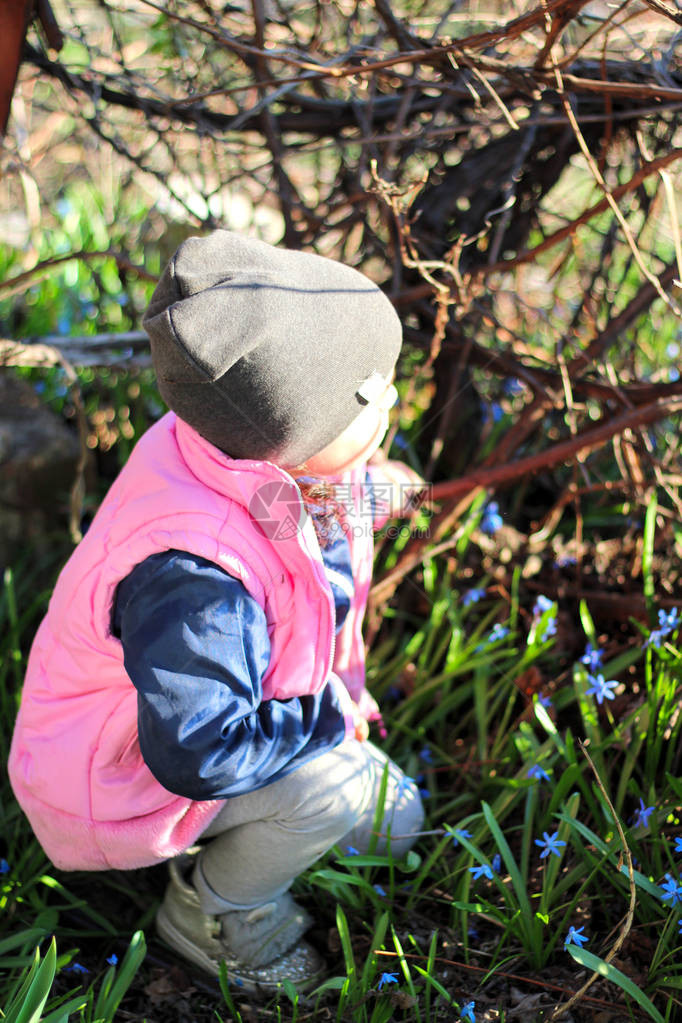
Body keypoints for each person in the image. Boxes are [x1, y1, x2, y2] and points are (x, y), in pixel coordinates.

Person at [9, 231, 425, 992]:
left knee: (396, 820)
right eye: (370, 396)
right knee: (329, 795)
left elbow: (278, 513)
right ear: (291, 436)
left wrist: (355, 493)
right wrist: (327, 718)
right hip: (119, 773)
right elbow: (200, 752)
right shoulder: (194, 583)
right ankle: (212, 914)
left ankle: (287, 813)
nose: (391, 401)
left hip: (210, 711)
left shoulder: (216, 441)